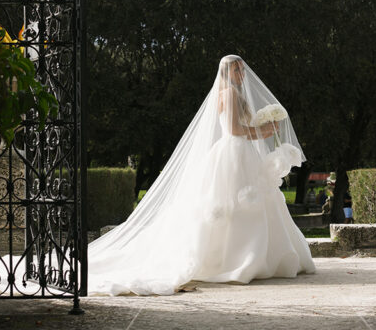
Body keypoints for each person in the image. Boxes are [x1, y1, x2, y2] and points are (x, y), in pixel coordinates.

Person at [88, 55, 316, 295]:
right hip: (233, 154)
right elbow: (233, 129)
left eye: (242, 70)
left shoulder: (234, 94)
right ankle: (236, 259)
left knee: (254, 201)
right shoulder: (228, 93)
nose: (242, 75)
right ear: (227, 73)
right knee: (232, 202)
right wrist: (263, 130)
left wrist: (264, 131)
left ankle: (259, 255)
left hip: (242, 153)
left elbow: (240, 129)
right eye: (237, 71)